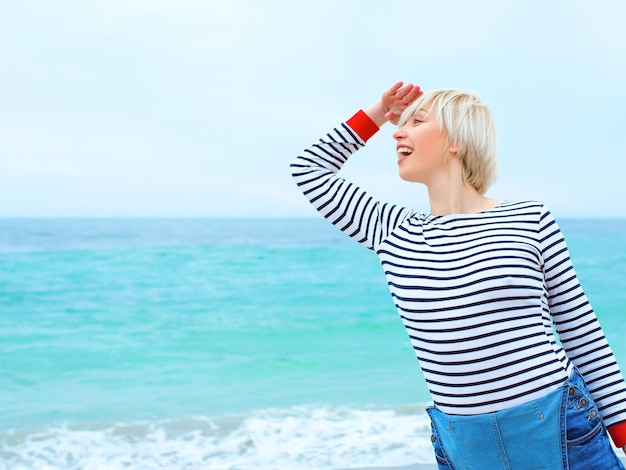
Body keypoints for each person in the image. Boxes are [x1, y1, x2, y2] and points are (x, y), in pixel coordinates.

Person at [290, 81, 626, 469]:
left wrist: (623, 430)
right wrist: (377, 113)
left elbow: (579, 329)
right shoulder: (391, 230)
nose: (398, 131)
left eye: (417, 121)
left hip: (561, 427)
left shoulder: (528, 219)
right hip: (465, 445)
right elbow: (309, 169)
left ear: (457, 140)